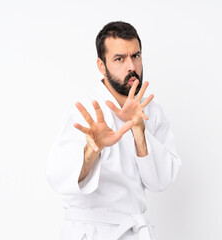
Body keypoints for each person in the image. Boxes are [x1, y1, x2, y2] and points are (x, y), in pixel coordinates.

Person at [46, 21, 181, 240]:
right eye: (119, 59)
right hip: (89, 232)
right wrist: (92, 151)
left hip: (134, 232)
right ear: (102, 65)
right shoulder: (86, 110)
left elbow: (161, 181)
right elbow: (58, 177)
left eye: (135, 56)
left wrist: (139, 131)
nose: (131, 66)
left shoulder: (152, 111)